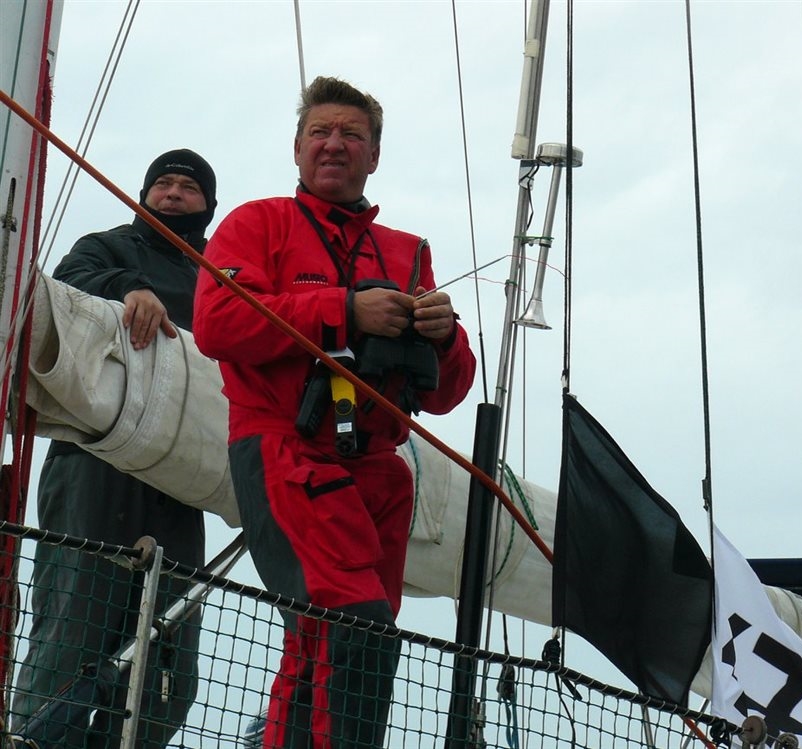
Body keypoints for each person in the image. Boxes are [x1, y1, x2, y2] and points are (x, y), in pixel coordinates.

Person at [192, 76, 476, 748]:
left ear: (373, 155)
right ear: (297, 148)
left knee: (330, 644)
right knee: (356, 630)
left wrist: (444, 337)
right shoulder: (257, 225)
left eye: (352, 134)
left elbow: (444, 393)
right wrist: (345, 309)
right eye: (320, 131)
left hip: (378, 475)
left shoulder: (408, 253)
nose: (334, 143)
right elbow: (217, 321)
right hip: (287, 452)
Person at [10, 149, 217, 747]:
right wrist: (131, 288)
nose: (173, 193)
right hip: (94, 464)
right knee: (75, 629)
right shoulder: (105, 248)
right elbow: (65, 282)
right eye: (163, 183)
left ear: (208, 205)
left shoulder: (216, 278)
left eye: (187, 187)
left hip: (180, 477)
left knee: (169, 660)